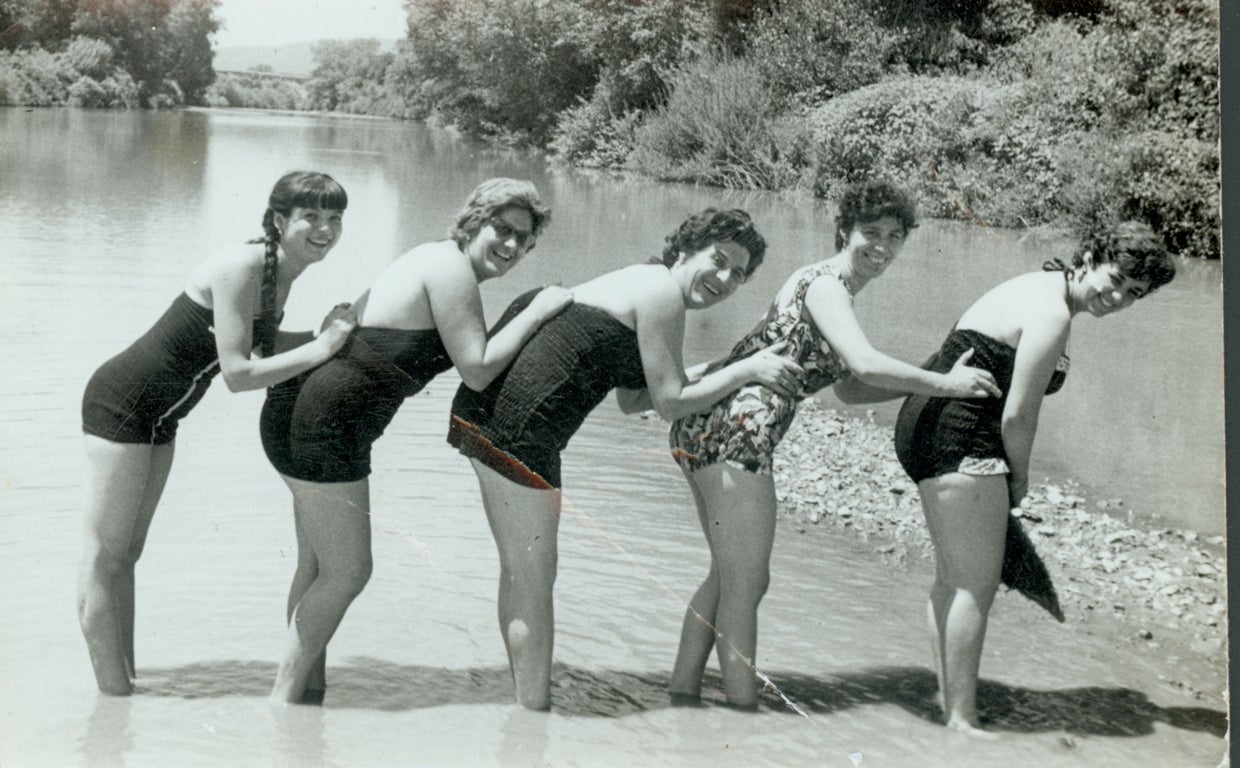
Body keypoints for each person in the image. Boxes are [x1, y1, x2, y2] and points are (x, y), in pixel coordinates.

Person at [448, 208, 804, 711]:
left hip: (491, 420)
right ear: (684, 250)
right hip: (519, 433)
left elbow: (634, 399)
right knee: (532, 578)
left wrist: (725, 367)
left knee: (521, 574)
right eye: (718, 260)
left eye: (738, 274)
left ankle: (525, 708)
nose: (725, 279)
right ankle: (533, 720)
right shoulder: (660, 291)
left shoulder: (646, 284)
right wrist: (749, 369)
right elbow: (670, 403)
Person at [666, 181, 1002, 710]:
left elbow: (848, 387)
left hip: (711, 423)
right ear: (844, 230)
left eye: (895, 237)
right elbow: (864, 363)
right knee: (748, 583)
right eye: (872, 233)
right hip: (738, 428)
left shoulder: (825, 286)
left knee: (729, 576)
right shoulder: (827, 287)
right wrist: (947, 385)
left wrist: (931, 374)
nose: (883, 247)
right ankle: (741, 711)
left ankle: (685, 695)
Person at [261, 178, 572, 704]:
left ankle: (306, 700)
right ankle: (282, 705)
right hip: (326, 424)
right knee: (349, 571)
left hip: (302, 413)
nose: (512, 246)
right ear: (473, 221)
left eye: (524, 239)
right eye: (502, 229)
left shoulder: (432, 259)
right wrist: (538, 310)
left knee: (318, 568)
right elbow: (476, 369)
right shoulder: (449, 268)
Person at [78, 171, 357, 695]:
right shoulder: (241, 264)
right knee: (104, 557)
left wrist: (330, 335)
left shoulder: (280, 271)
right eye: (311, 217)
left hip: (162, 416)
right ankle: (115, 706)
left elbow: (263, 345)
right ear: (279, 220)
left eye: (334, 219)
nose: (324, 229)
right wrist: (323, 347)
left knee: (127, 555)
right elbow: (237, 373)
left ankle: (126, 686)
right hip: (121, 404)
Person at [893, 221, 1175, 734]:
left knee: (952, 580)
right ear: (1089, 256)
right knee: (974, 587)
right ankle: (962, 722)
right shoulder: (1051, 313)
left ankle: (948, 700)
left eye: (1133, 294)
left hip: (927, 428)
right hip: (961, 438)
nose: (1117, 297)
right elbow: (1018, 416)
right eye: (1115, 280)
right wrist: (1018, 480)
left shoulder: (1033, 286)